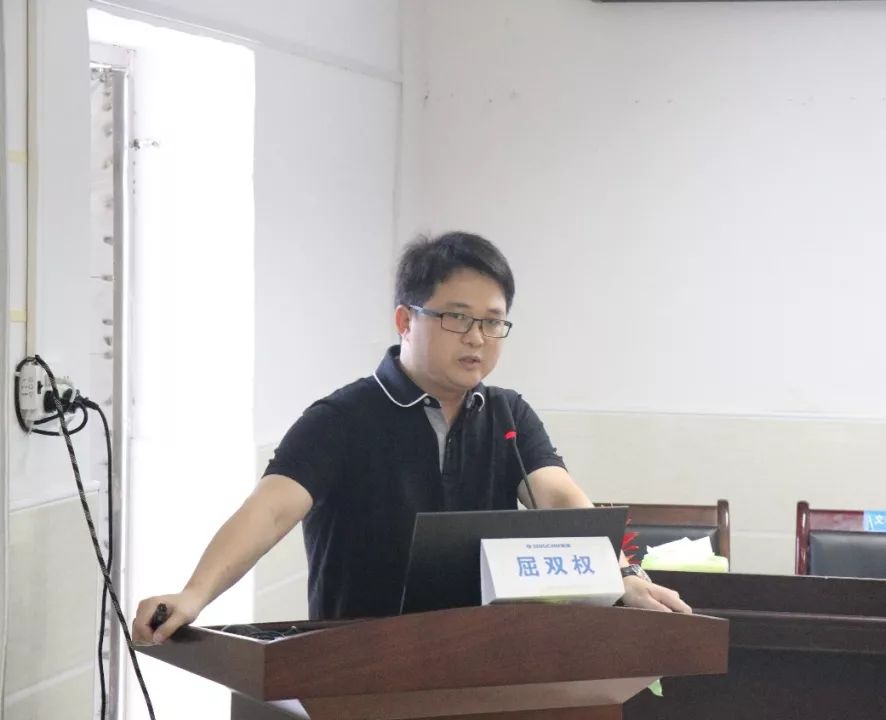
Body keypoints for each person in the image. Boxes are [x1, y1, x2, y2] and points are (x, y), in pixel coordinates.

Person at [133, 232, 690, 643]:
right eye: (457, 318)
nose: (477, 338)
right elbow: (271, 509)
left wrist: (623, 573)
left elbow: (561, 498)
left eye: (492, 321)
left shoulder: (506, 413)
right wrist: (195, 593)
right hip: (358, 663)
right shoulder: (342, 417)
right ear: (405, 320)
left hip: (481, 661)